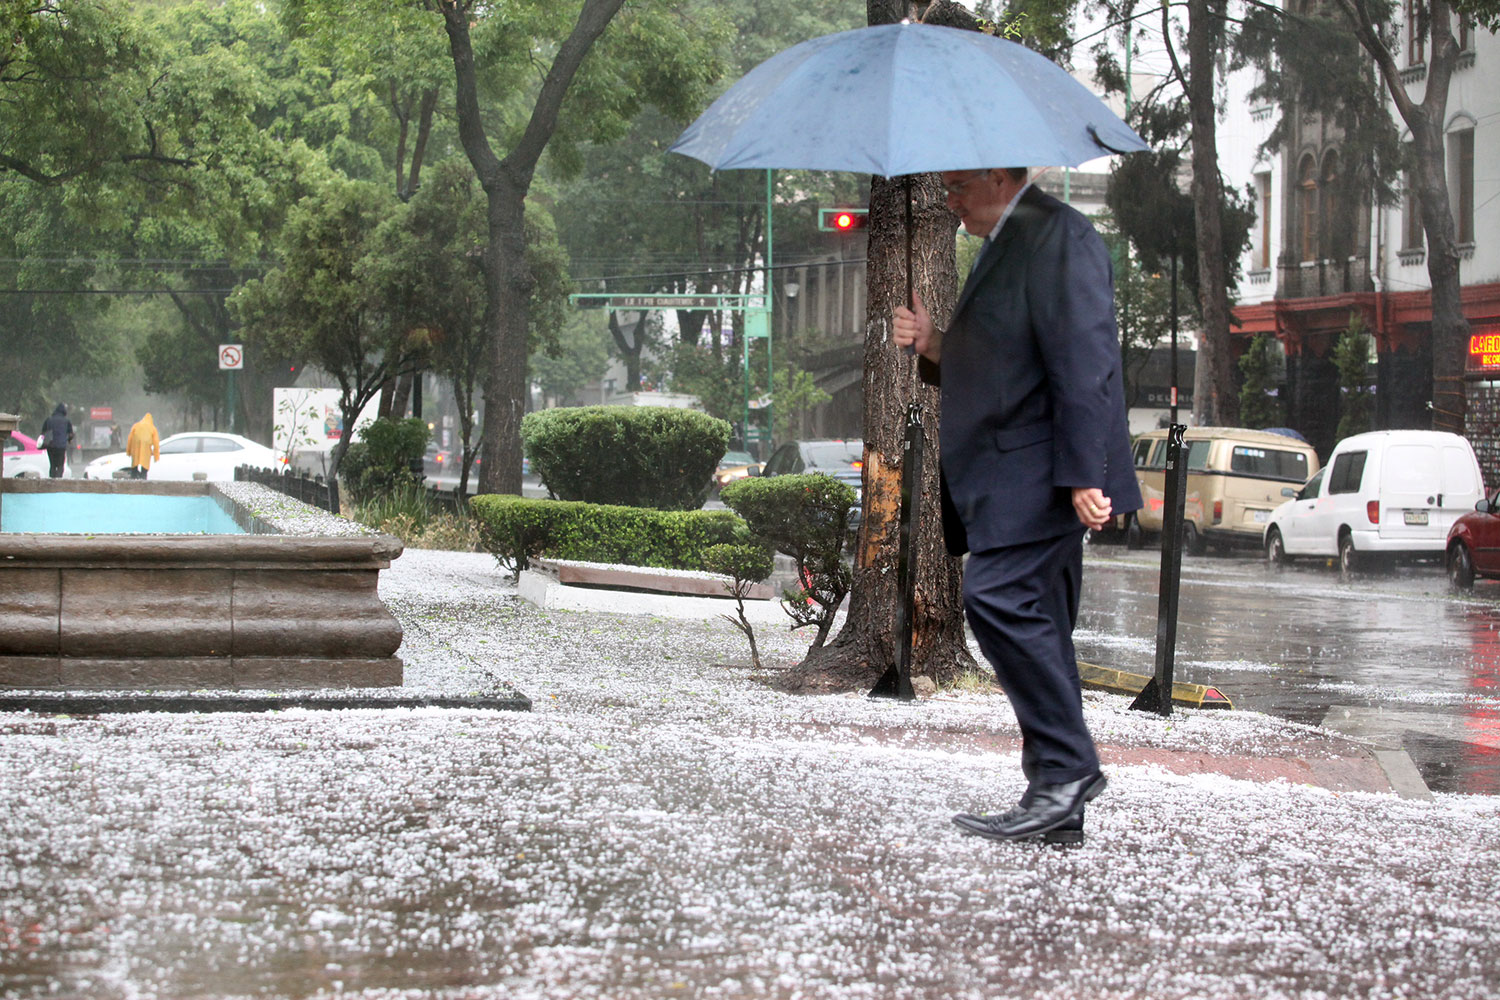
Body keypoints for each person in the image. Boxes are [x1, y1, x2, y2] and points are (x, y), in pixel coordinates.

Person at [893, 167, 1141, 846]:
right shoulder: (1014, 239)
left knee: (996, 597)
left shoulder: (1060, 234)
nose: (950, 199)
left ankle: (1069, 771)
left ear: (1000, 177)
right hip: (1022, 469)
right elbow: (1004, 353)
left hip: (1040, 470)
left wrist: (1088, 471)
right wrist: (932, 341)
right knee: (1046, 626)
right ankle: (1056, 804)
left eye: (960, 186)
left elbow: (1086, 358)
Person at [37, 403, 74, 479]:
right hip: (61, 447)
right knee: (60, 465)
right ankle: (58, 481)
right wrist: (69, 441)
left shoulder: (49, 419)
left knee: (53, 465)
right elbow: (71, 434)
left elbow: (43, 432)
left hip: (50, 446)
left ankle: (52, 481)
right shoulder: (66, 421)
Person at [125, 413, 160, 480]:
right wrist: (156, 455)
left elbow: (130, 439)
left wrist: (128, 451)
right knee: (145, 464)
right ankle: (143, 479)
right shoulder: (152, 428)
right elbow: (156, 442)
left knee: (135, 463)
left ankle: (134, 478)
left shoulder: (136, 425)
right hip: (146, 448)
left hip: (135, 447)